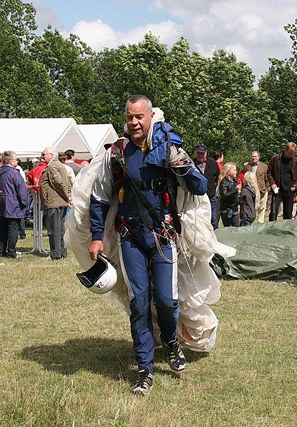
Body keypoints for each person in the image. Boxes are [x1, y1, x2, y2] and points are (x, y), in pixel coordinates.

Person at [88, 95, 208, 395]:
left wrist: (181, 163)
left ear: (150, 117)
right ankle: (144, 369)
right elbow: (99, 197)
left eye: (139, 117)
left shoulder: (167, 147)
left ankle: (171, 342)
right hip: (131, 237)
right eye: (129, 117)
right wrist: (96, 236)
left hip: (163, 236)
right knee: (139, 302)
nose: (134, 122)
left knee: (166, 300)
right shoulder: (116, 153)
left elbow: (200, 187)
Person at [0, 151, 28, 258]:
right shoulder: (14, 173)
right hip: (13, 203)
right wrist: (24, 203)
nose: (17, 162)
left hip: (0, 202)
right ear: (11, 161)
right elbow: (21, 190)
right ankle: (11, 252)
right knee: (13, 228)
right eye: (16, 160)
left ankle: (0, 251)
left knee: (2, 227)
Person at [40, 147, 70, 260]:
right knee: (60, 229)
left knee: (53, 229)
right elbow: (67, 183)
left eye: (44, 154)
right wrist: (67, 196)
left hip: (54, 202)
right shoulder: (59, 165)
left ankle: (55, 254)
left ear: (51, 155)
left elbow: (58, 182)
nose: (42, 156)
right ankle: (61, 252)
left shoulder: (52, 166)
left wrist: (66, 196)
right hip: (60, 202)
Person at [267, 142, 297, 221]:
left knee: (288, 214)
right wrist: (272, 184)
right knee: (273, 212)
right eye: (289, 153)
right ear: (285, 150)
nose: (290, 155)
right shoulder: (275, 159)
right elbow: (269, 172)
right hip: (277, 189)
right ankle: (271, 227)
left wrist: (295, 187)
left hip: (290, 190)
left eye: (292, 154)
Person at [193, 144, 220, 229]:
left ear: (206, 153)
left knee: (214, 219)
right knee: (200, 219)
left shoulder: (212, 162)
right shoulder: (192, 164)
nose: (200, 155)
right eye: (198, 153)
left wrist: (213, 186)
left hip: (211, 195)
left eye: (202, 153)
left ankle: (215, 235)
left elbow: (217, 176)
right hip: (198, 197)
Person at [241, 151, 269, 224]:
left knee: (261, 209)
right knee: (251, 209)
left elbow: (267, 179)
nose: (254, 158)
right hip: (251, 191)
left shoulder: (264, 166)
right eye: (252, 156)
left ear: (259, 157)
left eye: (255, 156)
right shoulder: (247, 166)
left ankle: (260, 224)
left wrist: (267, 189)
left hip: (262, 191)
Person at [218, 162, 241, 227]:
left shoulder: (234, 181)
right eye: (234, 170)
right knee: (228, 228)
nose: (236, 172)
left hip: (235, 208)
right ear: (228, 172)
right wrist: (235, 190)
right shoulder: (224, 183)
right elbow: (224, 195)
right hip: (226, 210)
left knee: (237, 228)